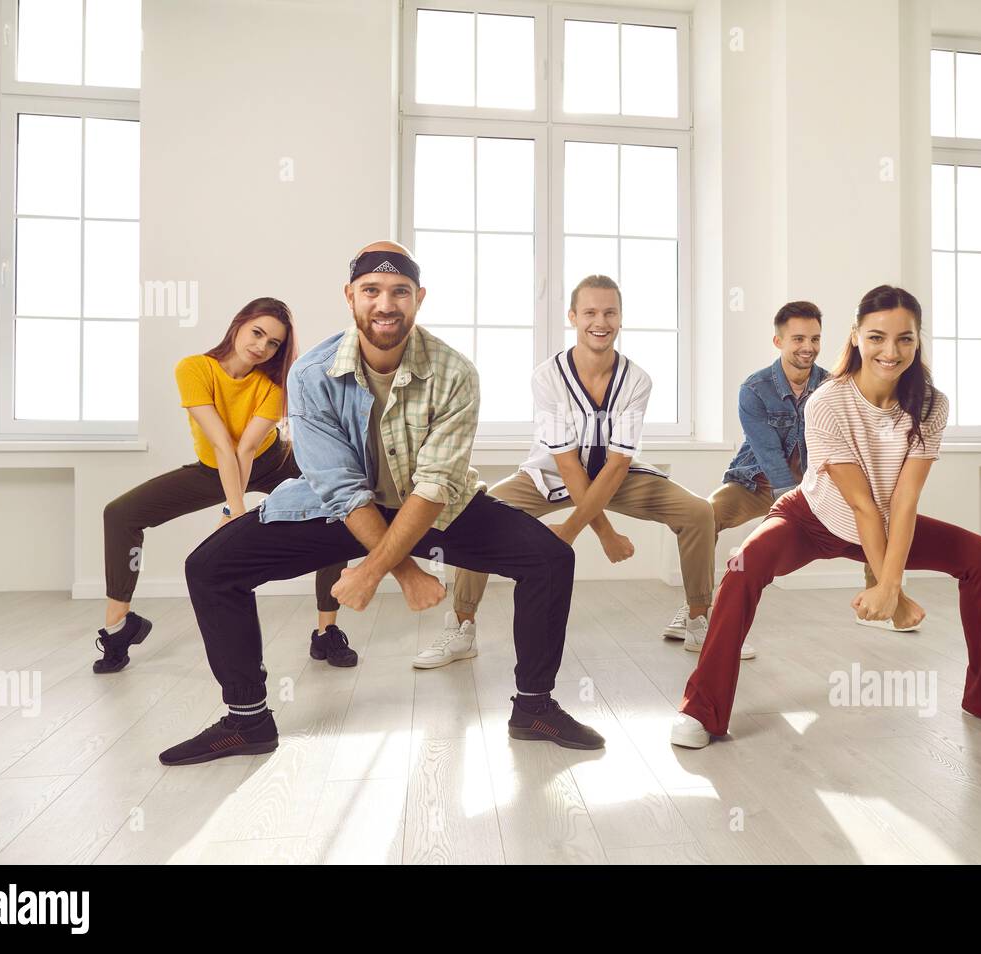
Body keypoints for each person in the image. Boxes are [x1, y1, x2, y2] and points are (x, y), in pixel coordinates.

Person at [158, 242, 604, 766]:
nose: (385, 304)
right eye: (371, 291)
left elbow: (435, 484)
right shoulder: (309, 374)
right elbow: (340, 488)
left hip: (430, 506)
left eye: (399, 292)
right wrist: (405, 574)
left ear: (419, 299)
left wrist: (370, 570)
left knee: (550, 558)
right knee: (209, 567)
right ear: (351, 297)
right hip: (339, 508)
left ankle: (534, 708)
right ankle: (248, 720)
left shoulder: (455, 372)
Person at [671, 284, 981, 749]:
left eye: (905, 339)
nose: (890, 351)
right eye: (876, 337)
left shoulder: (931, 405)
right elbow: (858, 503)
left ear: (918, 341)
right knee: (741, 568)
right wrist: (891, 595)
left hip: (886, 520)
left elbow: (903, 499)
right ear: (855, 336)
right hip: (812, 517)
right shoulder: (828, 402)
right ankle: (703, 711)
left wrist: (889, 584)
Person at [414, 275, 730, 669]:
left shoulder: (637, 380)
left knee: (698, 512)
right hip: (549, 476)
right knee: (477, 515)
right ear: (573, 317)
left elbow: (616, 466)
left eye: (610, 312)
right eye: (590, 312)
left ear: (620, 318)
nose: (601, 321)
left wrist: (569, 530)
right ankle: (462, 627)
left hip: (618, 478)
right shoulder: (547, 377)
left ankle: (698, 619)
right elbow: (567, 464)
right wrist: (605, 534)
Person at [96, 298, 350, 674]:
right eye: (257, 333)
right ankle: (119, 627)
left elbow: (248, 447)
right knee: (120, 514)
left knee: (334, 510)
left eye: (273, 343)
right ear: (239, 325)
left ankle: (326, 632)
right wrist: (234, 506)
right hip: (216, 465)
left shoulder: (273, 385)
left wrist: (232, 511)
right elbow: (222, 446)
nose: (261, 346)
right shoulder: (194, 368)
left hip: (276, 462)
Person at [695, 300, 922, 636]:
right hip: (758, 483)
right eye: (798, 339)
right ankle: (696, 611)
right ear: (779, 342)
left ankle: (886, 598)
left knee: (875, 504)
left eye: (815, 339)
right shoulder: (754, 390)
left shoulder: (835, 386)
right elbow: (770, 455)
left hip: (820, 485)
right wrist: (794, 513)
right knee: (705, 514)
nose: (808, 347)